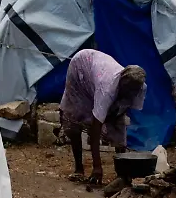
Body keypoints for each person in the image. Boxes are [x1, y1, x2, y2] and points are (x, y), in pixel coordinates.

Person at [59, 49, 147, 185]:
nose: (131, 93)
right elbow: (96, 127)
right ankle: (79, 168)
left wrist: (124, 162)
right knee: (75, 117)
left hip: (97, 69)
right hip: (81, 67)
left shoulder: (138, 86)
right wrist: (97, 167)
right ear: (121, 83)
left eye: (132, 91)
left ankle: (122, 172)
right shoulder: (107, 89)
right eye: (128, 90)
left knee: (118, 120)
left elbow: (122, 114)